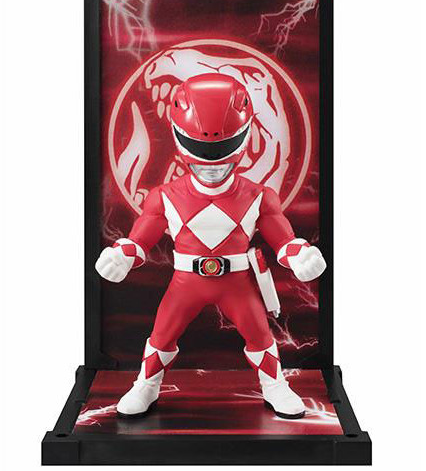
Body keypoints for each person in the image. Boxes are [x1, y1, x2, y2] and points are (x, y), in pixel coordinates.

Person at [96, 73, 326, 419]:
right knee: (162, 335)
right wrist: (121, 255)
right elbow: (140, 238)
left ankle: (275, 384)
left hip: (237, 281)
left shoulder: (259, 196)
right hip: (186, 281)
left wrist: (301, 255)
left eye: (222, 149)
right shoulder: (165, 196)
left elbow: (283, 240)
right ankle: (146, 383)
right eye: (202, 149)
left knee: (260, 336)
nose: (212, 162)